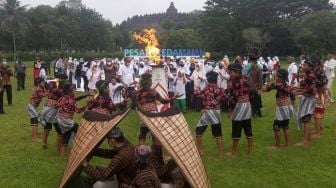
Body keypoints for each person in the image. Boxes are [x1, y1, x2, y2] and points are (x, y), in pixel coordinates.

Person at [194, 71, 227, 159]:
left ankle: (200, 150)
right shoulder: (220, 89)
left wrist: (197, 88)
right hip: (216, 112)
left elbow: (197, 94)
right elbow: (225, 97)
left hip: (208, 112)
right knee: (218, 134)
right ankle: (220, 154)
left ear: (208, 80)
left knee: (198, 131)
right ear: (216, 79)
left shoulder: (206, 89)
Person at [137, 73, 178, 144]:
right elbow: (164, 101)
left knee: (143, 134)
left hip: (144, 116)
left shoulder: (138, 93)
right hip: (153, 116)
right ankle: (157, 151)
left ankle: (141, 152)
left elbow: (134, 103)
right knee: (156, 135)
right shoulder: (153, 92)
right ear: (147, 83)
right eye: (150, 81)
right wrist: (173, 98)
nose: (151, 83)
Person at [226, 64, 253, 156]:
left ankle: (234, 152)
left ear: (237, 72)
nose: (230, 74)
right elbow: (251, 92)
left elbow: (234, 97)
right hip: (247, 105)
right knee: (247, 127)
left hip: (239, 106)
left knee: (236, 128)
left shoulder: (234, 82)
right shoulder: (245, 79)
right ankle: (250, 150)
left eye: (231, 72)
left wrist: (230, 110)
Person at [263, 69, 293, 148]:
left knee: (276, 126)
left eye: (276, 76)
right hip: (288, 106)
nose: (275, 77)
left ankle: (277, 145)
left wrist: (266, 84)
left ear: (281, 77)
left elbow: (266, 89)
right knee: (285, 125)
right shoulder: (286, 84)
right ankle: (287, 144)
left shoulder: (279, 84)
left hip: (282, 107)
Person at [56, 82, 87, 156]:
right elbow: (78, 110)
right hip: (66, 121)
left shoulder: (61, 98)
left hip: (59, 119)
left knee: (67, 134)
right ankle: (79, 150)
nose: (74, 91)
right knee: (80, 131)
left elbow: (56, 105)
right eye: (73, 90)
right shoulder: (71, 101)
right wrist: (86, 105)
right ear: (70, 92)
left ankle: (62, 154)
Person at [293, 60, 317, 147]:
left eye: (305, 65)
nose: (303, 66)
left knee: (306, 118)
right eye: (303, 65)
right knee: (306, 118)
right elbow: (306, 87)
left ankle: (305, 141)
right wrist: (298, 89)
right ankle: (309, 136)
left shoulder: (310, 76)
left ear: (310, 67)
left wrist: (299, 92)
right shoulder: (308, 75)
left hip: (309, 99)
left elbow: (312, 89)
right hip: (307, 98)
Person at [41, 81, 63, 150]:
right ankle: (58, 148)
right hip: (52, 111)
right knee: (59, 130)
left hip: (45, 110)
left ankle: (44, 142)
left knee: (47, 127)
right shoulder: (58, 91)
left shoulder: (50, 91)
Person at [312, 59, 328, 139]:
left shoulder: (318, 72)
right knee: (318, 112)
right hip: (320, 94)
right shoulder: (319, 71)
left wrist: (319, 96)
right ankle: (319, 129)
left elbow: (322, 85)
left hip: (319, 94)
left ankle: (318, 133)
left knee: (317, 113)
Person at [28, 77, 47, 142]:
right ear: (39, 83)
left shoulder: (41, 87)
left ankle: (35, 134)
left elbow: (45, 91)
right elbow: (43, 95)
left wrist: (45, 88)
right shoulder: (38, 89)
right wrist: (50, 93)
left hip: (34, 107)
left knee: (37, 119)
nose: (44, 83)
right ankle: (34, 138)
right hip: (32, 106)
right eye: (43, 82)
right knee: (34, 121)